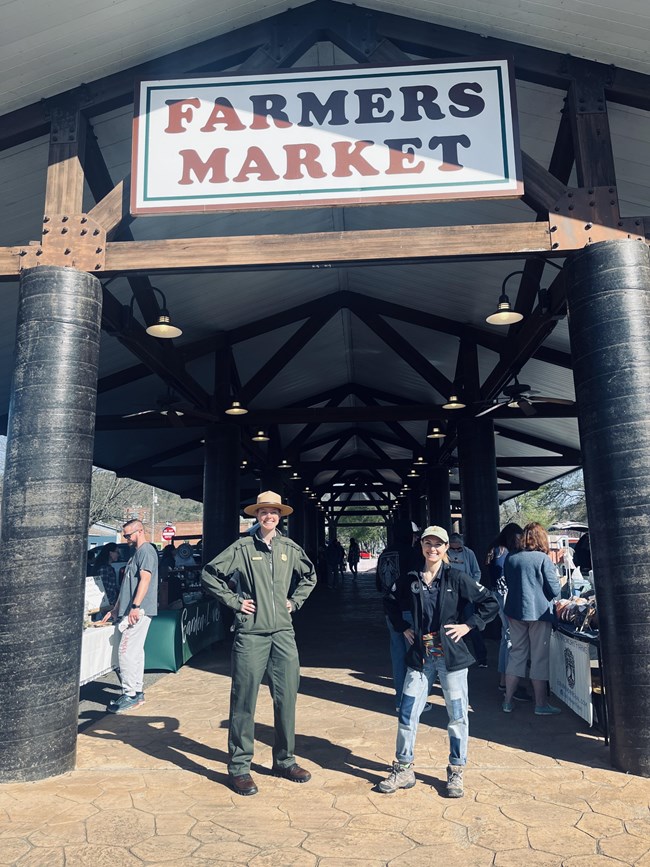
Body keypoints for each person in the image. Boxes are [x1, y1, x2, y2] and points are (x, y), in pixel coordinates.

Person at [201, 490, 317, 797]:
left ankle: (284, 760)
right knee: (244, 700)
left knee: (287, 698)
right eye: (264, 512)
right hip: (251, 634)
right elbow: (210, 574)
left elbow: (310, 576)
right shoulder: (241, 547)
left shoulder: (289, 548)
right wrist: (235, 602)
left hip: (283, 634)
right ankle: (239, 768)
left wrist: (295, 602)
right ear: (256, 515)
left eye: (274, 512)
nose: (269, 516)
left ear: (280, 516)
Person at [379, 525, 498, 799]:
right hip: (421, 657)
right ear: (421, 546)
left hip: (451, 658)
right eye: (428, 544)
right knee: (407, 712)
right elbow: (390, 601)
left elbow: (489, 602)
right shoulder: (410, 579)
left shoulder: (457, 578)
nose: (432, 549)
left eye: (438, 544)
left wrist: (468, 626)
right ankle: (404, 767)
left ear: (446, 548)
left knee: (457, 715)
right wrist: (402, 627)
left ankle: (456, 769)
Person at [502, 522, 562, 716]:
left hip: (514, 612)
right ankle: (541, 704)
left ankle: (507, 701)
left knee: (516, 654)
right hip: (539, 613)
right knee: (539, 658)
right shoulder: (542, 558)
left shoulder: (510, 557)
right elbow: (554, 590)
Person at [102, 519, 158, 713]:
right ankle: (137, 692)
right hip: (131, 609)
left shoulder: (146, 551)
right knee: (134, 652)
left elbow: (146, 579)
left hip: (137, 611)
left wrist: (135, 606)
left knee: (125, 652)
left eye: (128, 535)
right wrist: (117, 608)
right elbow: (128, 584)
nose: (125, 539)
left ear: (139, 531)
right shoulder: (137, 554)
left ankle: (130, 694)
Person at [376, 519, 423, 710]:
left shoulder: (384, 554)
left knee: (397, 657)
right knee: (415, 657)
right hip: (410, 611)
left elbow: (379, 585)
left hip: (390, 610)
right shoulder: (412, 554)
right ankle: (412, 701)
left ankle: (400, 700)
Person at [485, 523, 530, 702]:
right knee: (511, 638)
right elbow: (507, 577)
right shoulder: (505, 553)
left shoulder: (494, 550)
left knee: (507, 638)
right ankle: (509, 683)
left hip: (496, 594)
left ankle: (504, 680)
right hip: (506, 596)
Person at [447, 533, 487, 668]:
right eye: (453, 549)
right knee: (449, 627)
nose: (456, 551)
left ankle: (482, 658)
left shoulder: (469, 553)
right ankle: (453, 658)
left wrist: (472, 588)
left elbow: (477, 571)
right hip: (449, 595)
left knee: (472, 625)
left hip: (466, 594)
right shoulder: (444, 553)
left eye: (459, 548)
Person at [91, 542, 120, 608]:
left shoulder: (109, 568)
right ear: (110, 553)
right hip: (105, 605)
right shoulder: (104, 569)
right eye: (117, 552)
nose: (118, 555)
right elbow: (103, 589)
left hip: (110, 603)